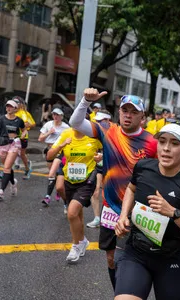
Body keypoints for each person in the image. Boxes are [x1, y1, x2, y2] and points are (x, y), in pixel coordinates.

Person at [70, 89, 157, 290]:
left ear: (142, 117)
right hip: (110, 207)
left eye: (133, 112)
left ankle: (130, 292)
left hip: (138, 209)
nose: (128, 115)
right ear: (119, 112)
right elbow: (75, 123)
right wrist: (85, 101)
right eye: (124, 110)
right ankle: (119, 292)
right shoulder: (108, 130)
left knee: (134, 259)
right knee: (111, 258)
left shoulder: (152, 142)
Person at [114, 123, 180, 300]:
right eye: (162, 141)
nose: (166, 148)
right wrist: (123, 216)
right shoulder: (143, 167)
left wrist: (174, 213)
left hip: (171, 257)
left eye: (174, 143)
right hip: (137, 252)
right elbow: (131, 189)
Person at [47, 128, 101, 263]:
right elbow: (49, 156)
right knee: (77, 214)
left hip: (87, 181)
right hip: (69, 180)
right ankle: (83, 241)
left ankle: (76, 245)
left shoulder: (94, 136)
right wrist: (61, 145)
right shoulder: (66, 134)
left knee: (71, 213)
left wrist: (101, 157)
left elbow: (112, 152)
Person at [38, 108, 69, 205]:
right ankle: (58, 190)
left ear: (61, 116)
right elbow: (40, 139)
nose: (55, 117)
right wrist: (49, 132)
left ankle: (47, 196)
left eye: (58, 115)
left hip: (60, 151)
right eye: (54, 114)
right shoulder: (48, 125)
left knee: (53, 173)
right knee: (52, 173)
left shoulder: (66, 127)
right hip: (50, 150)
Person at [86, 111, 111, 228]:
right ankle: (97, 218)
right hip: (99, 166)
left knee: (107, 194)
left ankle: (112, 218)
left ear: (107, 121)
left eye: (100, 121)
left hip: (112, 169)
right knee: (95, 192)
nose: (97, 123)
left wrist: (105, 155)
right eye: (96, 121)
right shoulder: (95, 133)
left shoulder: (115, 133)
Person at [0, 100, 27, 200]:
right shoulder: (1, 119)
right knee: (8, 167)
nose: (8, 108)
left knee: (6, 167)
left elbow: (24, 129)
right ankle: (13, 183)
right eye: (7, 106)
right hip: (2, 144)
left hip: (14, 143)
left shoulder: (19, 120)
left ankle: (1, 191)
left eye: (10, 106)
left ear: (15, 109)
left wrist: (23, 135)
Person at [13, 96, 35, 179]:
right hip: (13, 137)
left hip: (22, 137)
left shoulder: (23, 113)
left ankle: (27, 167)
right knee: (11, 152)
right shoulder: (12, 112)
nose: (15, 104)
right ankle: (8, 171)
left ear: (20, 104)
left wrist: (25, 128)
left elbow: (27, 123)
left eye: (16, 102)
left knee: (21, 154)